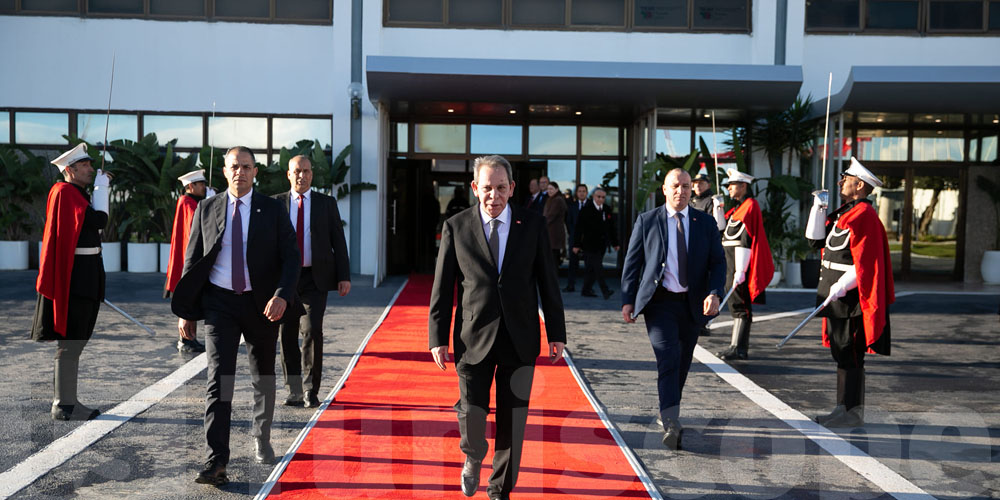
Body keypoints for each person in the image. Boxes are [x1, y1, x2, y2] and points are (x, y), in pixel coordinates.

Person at [429, 155, 566, 500]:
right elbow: (443, 287)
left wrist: (557, 333)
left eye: (501, 188)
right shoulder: (456, 226)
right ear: (475, 188)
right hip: (472, 337)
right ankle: (473, 455)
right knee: (472, 412)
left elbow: (548, 282)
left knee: (513, 421)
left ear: (512, 188)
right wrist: (437, 337)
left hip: (520, 339)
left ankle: (499, 490)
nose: (494, 195)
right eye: (487, 187)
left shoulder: (532, 225)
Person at [171, 146, 300, 485]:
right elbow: (193, 260)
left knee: (262, 377)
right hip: (220, 305)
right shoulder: (207, 208)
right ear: (225, 172)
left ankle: (261, 437)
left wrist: (281, 295)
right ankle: (217, 460)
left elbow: (291, 258)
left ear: (255, 171)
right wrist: (187, 312)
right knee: (219, 381)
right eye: (234, 167)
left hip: (262, 306)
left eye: (246, 166)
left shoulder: (272, 209)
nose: (240, 172)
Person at [620, 168, 725, 450]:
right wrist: (628, 299)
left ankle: (667, 407)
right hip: (659, 302)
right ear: (664, 189)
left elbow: (718, 262)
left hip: (692, 304)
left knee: (683, 361)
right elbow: (632, 263)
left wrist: (714, 293)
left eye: (686, 186)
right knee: (668, 356)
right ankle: (671, 420)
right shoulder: (647, 221)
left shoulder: (704, 222)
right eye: (675, 186)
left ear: (692, 190)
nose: (681, 191)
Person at [806, 157, 893, 428]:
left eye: (846, 178)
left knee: (851, 355)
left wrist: (841, 286)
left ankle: (852, 412)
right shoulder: (846, 213)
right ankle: (841, 407)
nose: (840, 182)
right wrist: (818, 208)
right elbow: (814, 241)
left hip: (850, 300)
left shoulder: (864, 215)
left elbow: (865, 263)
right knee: (842, 354)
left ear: (859, 185)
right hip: (835, 298)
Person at [32, 142, 110, 421]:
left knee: (76, 339)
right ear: (70, 169)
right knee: (71, 340)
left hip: (86, 274)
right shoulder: (65, 191)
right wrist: (102, 190)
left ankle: (67, 401)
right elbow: (99, 220)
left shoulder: (75, 192)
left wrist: (99, 189)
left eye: (90, 164)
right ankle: (63, 404)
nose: (91, 168)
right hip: (76, 278)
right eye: (86, 165)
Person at [274, 155, 351, 409]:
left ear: (312, 175)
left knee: (311, 331)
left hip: (314, 277)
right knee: (286, 334)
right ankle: (293, 389)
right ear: (288, 174)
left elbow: (338, 240)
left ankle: (310, 389)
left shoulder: (325, 204)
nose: (302, 176)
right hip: (285, 279)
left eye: (306, 171)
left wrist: (344, 276)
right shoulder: (276, 204)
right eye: (297, 171)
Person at [716, 169, 773, 361]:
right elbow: (722, 231)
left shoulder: (750, 206)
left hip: (740, 263)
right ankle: (736, 346)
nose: (729, 189)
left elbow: (746, 239)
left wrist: (741, 269)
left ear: (743, 186)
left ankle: (738, 347)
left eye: (732, 185)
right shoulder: (736, 210)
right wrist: (718, 208)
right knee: (735, 305)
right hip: (730, 262)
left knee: (741, 306)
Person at [165, 169, 208, 353]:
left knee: (192, 298)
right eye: (201, 184)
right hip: (185, 258)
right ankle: (185, 339)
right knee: (187, 298)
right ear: (191, 186)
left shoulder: (192, 202)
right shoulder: (187, 202)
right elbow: (194, 221)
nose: (204, 187)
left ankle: (190, 338)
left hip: (187, 257)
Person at [572, 187, 619, 299]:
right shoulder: (586, 209)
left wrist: (615, 243)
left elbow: (611, 228)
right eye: (598, 197)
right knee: (598, 267)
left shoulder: (606, 209)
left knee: (591, 269)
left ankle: (586, 290)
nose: (601, 199)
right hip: (589, 245)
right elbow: (579, 228)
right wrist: (576, 244)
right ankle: (605, 290)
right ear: (593, 197)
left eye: (603, 197)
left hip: (601, 245)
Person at [563, 184, 588, 292]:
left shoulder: (591, 205)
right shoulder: (572, 206)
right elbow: (568, 222)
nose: (581, 193)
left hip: (588, 240)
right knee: (573, 264)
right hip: (574, 239)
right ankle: (570, 285)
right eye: (580, 191)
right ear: (577, 193)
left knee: (589, 265)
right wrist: (573, 235)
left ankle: (587, 288)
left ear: (586, 193)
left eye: (584, 191)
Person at [543, 181, 567, 266]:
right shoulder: (551, 199)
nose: (549, 191)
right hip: (551, 235)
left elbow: (550, 216)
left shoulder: (557, 200)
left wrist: (541, 225)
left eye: (551, 189)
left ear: (557, 189)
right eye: (548, 189)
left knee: (553, 261)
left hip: (554, 235)